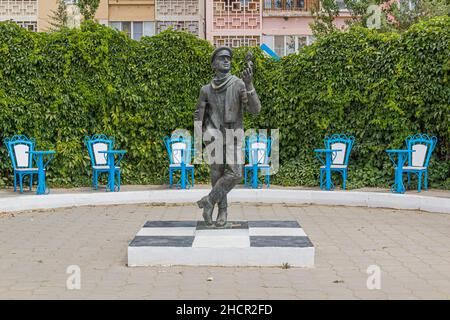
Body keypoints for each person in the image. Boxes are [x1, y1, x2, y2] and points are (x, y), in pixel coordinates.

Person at [194, 46, 261, 227]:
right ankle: (221, 211)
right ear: (214, 63)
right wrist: (198, 139)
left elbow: (255, 110)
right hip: (213, 137)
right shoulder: (206, 90)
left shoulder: (238, 84)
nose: (226, 61)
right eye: (222, 58)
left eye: (228, 58)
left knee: (236, 174)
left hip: (233, 136)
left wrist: (249, 84)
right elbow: (199, 114)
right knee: (217, 174)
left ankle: (208, 201)